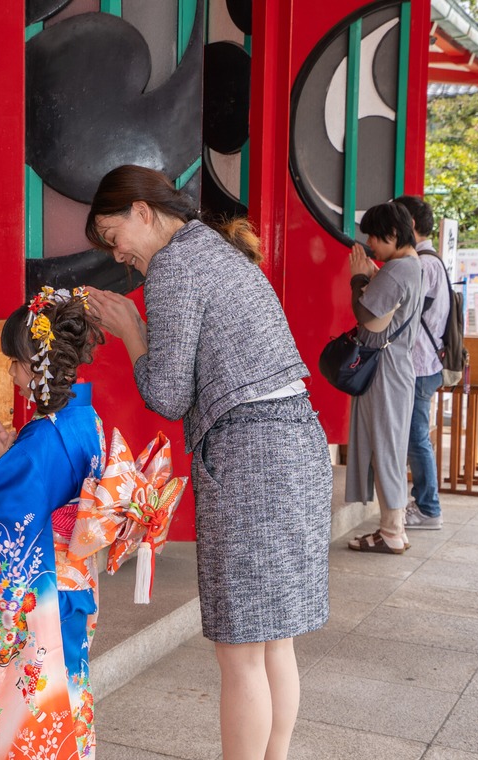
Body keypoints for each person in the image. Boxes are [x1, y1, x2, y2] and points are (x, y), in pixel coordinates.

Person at [82, 164, 331, 760]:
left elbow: (167, 396)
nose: (119, 256)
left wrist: (131, 329)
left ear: (142, 212)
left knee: (240, 650)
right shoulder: (216, 250)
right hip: (297, 442)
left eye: (115, 238)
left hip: (251, 456)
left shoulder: (173, 265)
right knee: (275, 642)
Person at [0, 288, 105, 760]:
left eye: (16, 363)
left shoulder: (42, 439)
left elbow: (7, 520)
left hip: (44, 587)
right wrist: (14, 458)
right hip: (75, 581)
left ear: (40, 364)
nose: (12, 374)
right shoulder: (85, 418)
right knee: (67, 686)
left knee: (27, 702)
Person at [345, 202, 424, 554]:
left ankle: (391, 531)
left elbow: (367, 316)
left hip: (384, 370)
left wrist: (359, 279)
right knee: (390, 445)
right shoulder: (413, 265)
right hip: (398, 367)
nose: (371, 244)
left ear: (392, 234)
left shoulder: (397, 270)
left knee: (385, 449)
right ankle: (395, 529)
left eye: (375, 237)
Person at [392, 195, 447, 531]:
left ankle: (428, 508)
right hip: (426, 364)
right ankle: (425, 504)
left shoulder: (423, 264)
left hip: (419, 365)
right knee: (416, 437)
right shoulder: (431, 260)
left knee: (416, 439)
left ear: (409, 224)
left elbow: (402, 308)